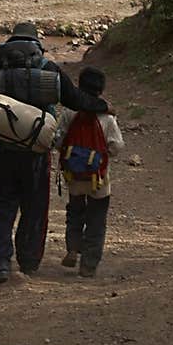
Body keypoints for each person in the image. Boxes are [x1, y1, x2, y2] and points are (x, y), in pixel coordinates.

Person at [0, 21, 111, 287]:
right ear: (36, 44)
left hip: (2, 151)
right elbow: (76, 100)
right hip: (36, 154)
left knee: (0, 208)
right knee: (34, 209)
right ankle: (28, 262)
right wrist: (103, 106)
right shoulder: (48, 68)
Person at [53, 66, 124, 279]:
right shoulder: (107, 117)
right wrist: (105, 155)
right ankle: (89, 265)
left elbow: (57, 139)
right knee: (96, 219)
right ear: (101, 90)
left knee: (75, 213)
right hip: (99, 178)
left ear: (79, 87)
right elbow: (117, 146)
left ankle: (73, 248)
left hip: (74, 176)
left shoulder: (69, 113)